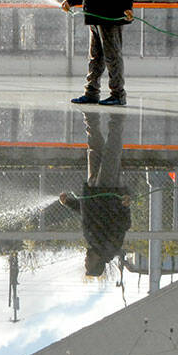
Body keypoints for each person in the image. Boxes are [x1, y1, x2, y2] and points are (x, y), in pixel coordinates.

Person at [62, 0, 134, 106]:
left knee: (112, 56)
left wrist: (127, 8)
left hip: (108, 19)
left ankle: (118, 94)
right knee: (95, 57)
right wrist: (71, 2)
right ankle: (91, 92)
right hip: (95, 19)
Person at [60, 111, 131, 277]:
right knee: (111, 153)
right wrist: (125, 205)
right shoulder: (110, 247)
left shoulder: (93, 242)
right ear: (97, 263)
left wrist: (68, 203)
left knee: (94, 149)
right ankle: (117, 115)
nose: (85, 260)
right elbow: (123, 224)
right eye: (88, 264)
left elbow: (89, 212)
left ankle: (91, 115)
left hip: (93, 189)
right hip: (108, 190)